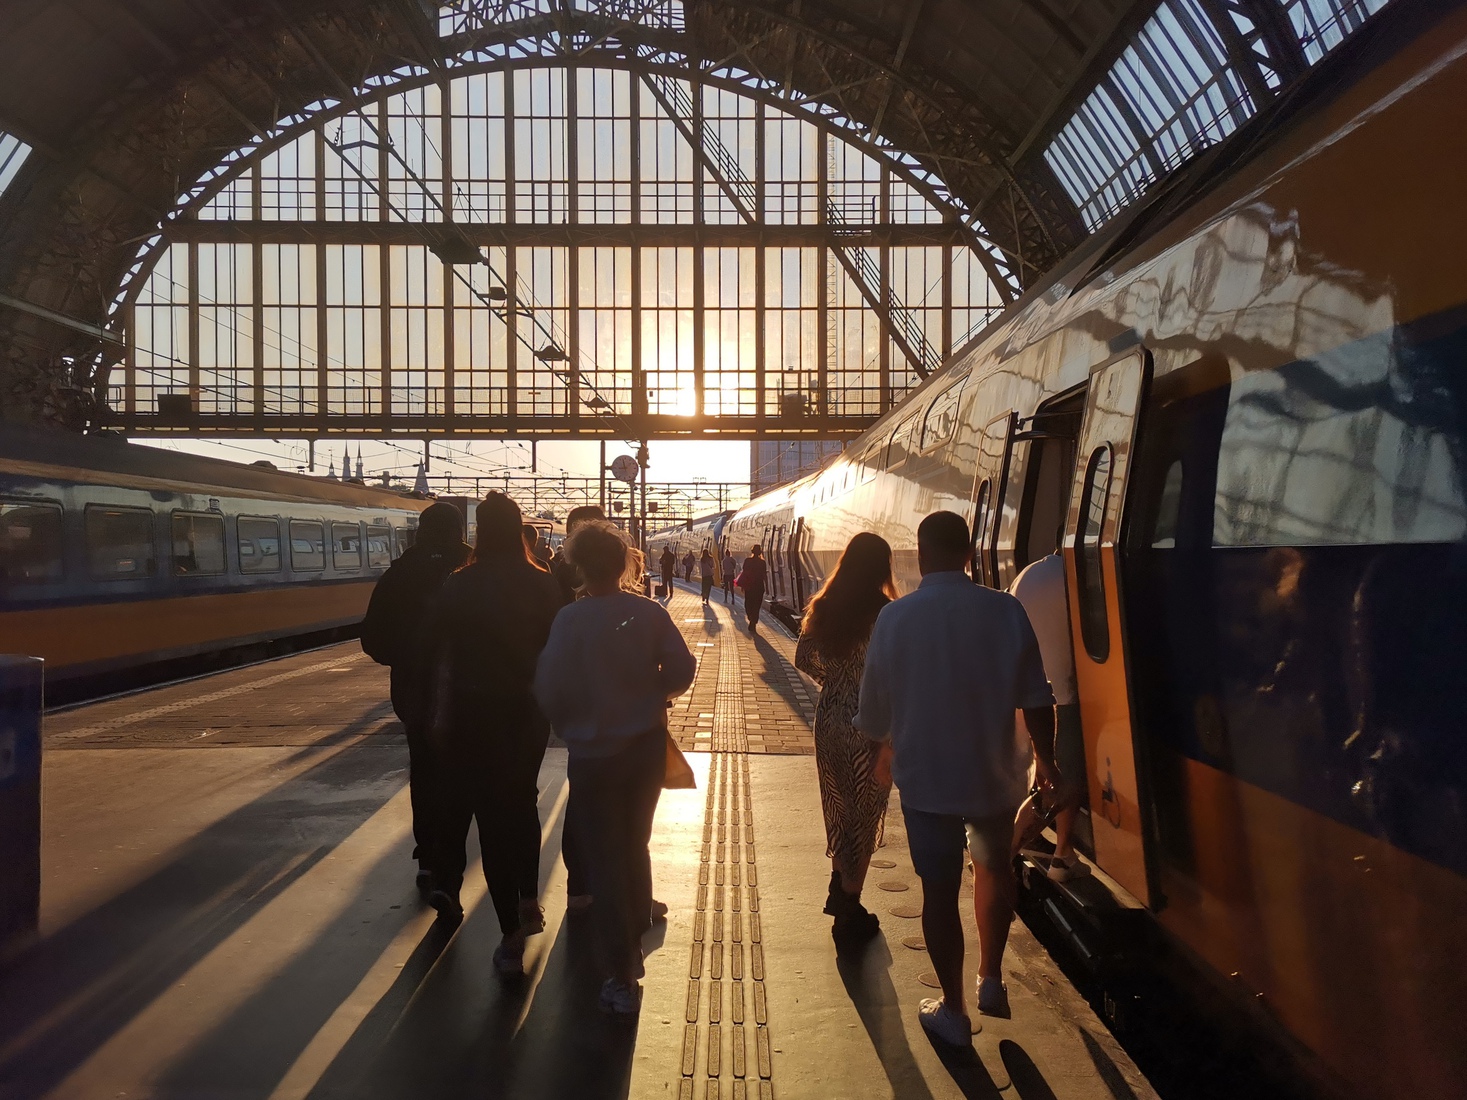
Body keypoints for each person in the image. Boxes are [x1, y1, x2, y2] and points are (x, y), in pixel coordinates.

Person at [856, 511, 1071, 1044]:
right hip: (995, 776)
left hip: (927, 781)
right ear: (971, 556)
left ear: (922, 558)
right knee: (995, 870)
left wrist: (882, 747)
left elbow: (874, 708)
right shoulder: (1005, 609)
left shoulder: (896, 619)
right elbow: (1037, 696)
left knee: (939, 890)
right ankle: (991, 978)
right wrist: (1046, 760)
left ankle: (952, 1009)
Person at [534, 520, 697, 1015]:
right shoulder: (646, 612)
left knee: (604, 858)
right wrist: (654, 693)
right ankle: (637, 930)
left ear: (578, 565)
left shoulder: (568, 620)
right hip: (644, 749)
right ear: (624, 561)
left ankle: (622, 973)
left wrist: (571, 721)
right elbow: (684, 668)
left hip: (592, 758)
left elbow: (548, 687)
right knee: (635, 844)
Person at [422, 493, 565, 977]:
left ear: (480, 531)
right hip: (527, 715)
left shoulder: (459, 585)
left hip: (471, 713)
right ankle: (528, 897)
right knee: (520, 802)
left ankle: (510, 935)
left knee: (489, 816)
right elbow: (557, 648)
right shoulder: (544, 585)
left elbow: (434, 652)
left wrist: (437, 713)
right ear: (518, 528)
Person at [359, 501, 471, 896]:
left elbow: (372, 637)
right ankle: (455, 862)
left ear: (421, 531)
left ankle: (429, 859)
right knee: (468, 774)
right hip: (471, 694)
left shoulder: (401, 572)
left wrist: (405, 660)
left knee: (424, 772)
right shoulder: (475, 568)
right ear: (461, 531)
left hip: (416, 693)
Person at [795, 533, 898, 951]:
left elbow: (804, 659)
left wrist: (833, 683)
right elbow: (893, 672)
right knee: (866, 814)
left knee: (838, 807)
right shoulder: (887, 613)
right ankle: (848, 906)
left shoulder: (824, 606)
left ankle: (844, 889)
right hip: (870, 724)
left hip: (830, 719)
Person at [1010, 551, 1088, 881]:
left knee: (1049, 780)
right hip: (1062, 697)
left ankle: (1060, 852)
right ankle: (1055, 855)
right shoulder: (1074, 580)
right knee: (1062, 782)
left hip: (1025, 695)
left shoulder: (1027, 576)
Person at [546, 504, 606, 910]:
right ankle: (626, 890)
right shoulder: (616, 589)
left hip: (575, 709)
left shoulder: (546, 576)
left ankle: (580, 887)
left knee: (582, 795)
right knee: (621, 806)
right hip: (617, 711)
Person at [737, 545, 767, 631]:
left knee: (748, 604)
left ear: (752, 551)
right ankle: (753, 621)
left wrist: (743, 585)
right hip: (759, 586)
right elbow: (764, 575)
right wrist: (767, 587)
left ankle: (751, 618)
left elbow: (744, 573)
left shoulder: (747, 561)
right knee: (756, 606)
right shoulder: (762, 563)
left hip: (749, 586)